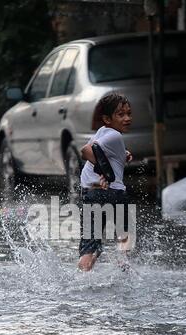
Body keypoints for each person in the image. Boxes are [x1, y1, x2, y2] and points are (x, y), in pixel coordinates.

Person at [78, 92, 133, 272]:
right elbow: (86, 151)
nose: (127, 118)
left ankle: (82, 281)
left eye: (128, 113)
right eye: (121, 114)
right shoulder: (114, 136)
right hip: (114, 193)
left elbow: (99, 150)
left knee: (91, 245)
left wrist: (123, 155)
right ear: (107, 119)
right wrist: (106, 173)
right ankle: (124, 273)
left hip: (92, 193)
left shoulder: (103, 133)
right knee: (125, 238)